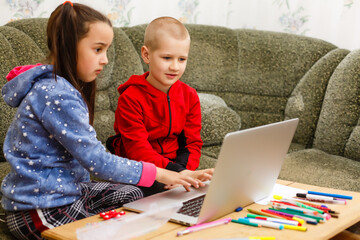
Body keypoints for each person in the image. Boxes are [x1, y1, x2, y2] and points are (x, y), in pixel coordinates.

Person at [1, 3, 211, 240]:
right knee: (123, 229)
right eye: (98, 50)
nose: (106, 60)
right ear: (70, 46)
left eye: (106, 51)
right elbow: (99, 162)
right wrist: (165, 174)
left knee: (136, 197)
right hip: (39, 209)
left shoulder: (62, 87)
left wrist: (179, 174)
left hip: (71, 192)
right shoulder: (55, 93)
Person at [107, 16, 210, 179]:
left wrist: (184, 171)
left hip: (176, 167)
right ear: (146, 55)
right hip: (140, 169)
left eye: (182, 59)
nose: (175, 67)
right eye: (167, 58)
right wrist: (176, 173)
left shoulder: (189, 96)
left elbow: (192, 143)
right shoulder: (130, 98)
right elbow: (138, 151)